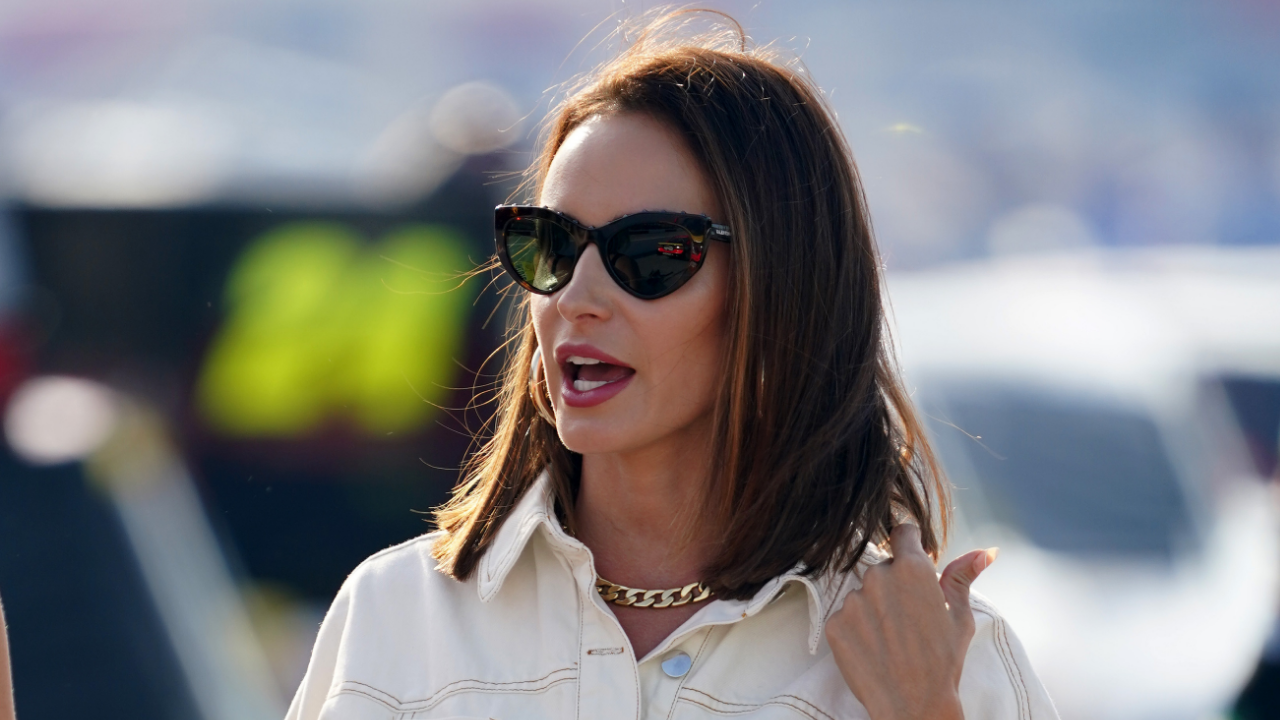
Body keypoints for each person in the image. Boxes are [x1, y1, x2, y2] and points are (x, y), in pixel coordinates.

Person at [287, 9, 1058, 720]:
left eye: (651, 254)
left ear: (782, 291)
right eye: (550, 245)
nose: (576, 299)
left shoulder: (939, 661)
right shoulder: (399, 618)